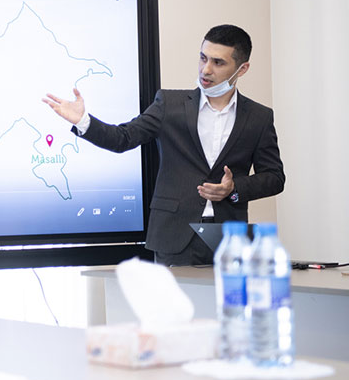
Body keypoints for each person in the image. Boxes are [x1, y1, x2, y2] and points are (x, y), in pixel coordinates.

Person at [43, 24, 285, 266]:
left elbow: (274, 177)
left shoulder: (259, 117)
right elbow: (122, 138)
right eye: (203, 58)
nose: (206, 69)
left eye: (218, 63)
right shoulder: (169, 104)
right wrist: (83, 121)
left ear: (242, 69)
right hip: (173, 236)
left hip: (229, 239)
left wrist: (233, 188)